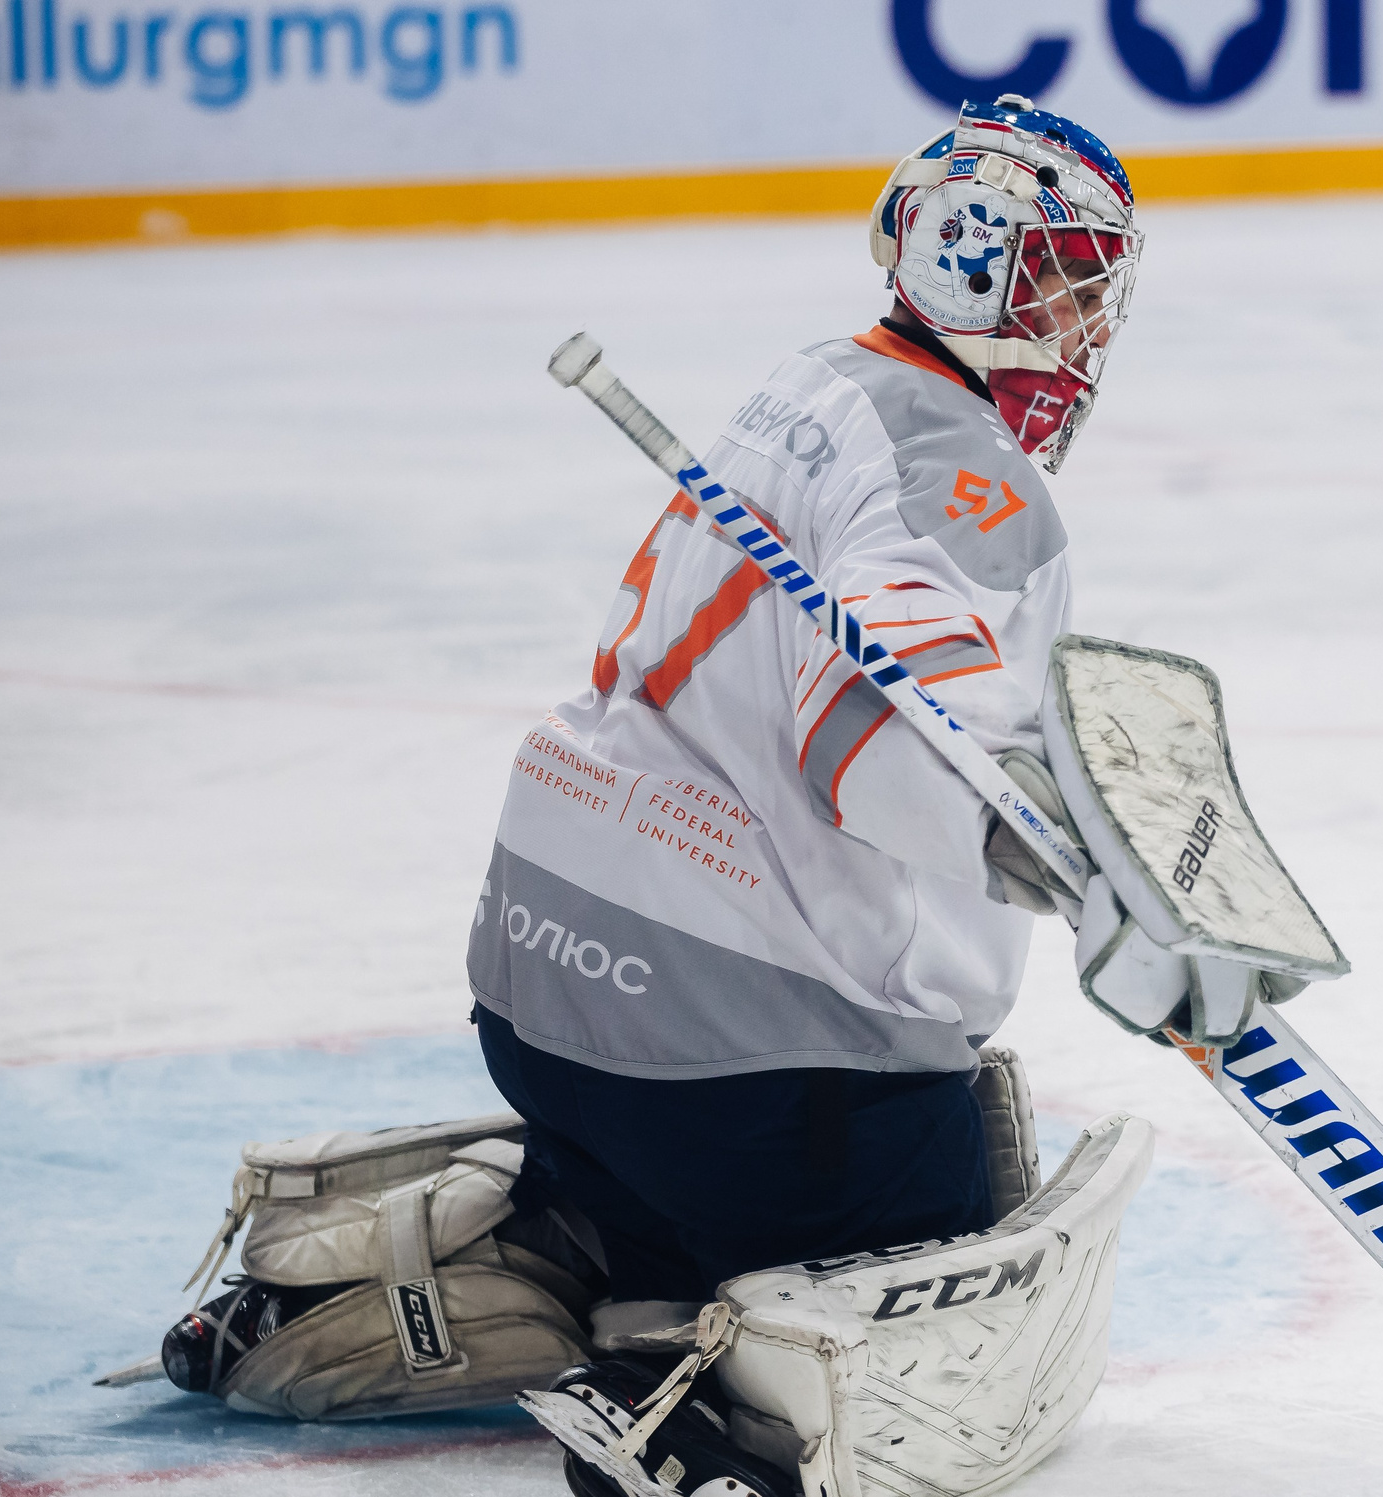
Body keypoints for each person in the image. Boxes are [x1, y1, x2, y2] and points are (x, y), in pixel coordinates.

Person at [466, 94, 1141, 1338]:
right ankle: (730, 1423)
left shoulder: (816, 380)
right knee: (946, 1307)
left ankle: (547, 1248)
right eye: (1063, 284)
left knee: (663, 1211)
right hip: (742, 1063)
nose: (1086, 326)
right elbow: (882, 737)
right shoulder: (970, 470)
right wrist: (1084, 859)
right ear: (974, 264)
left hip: (535, 999)